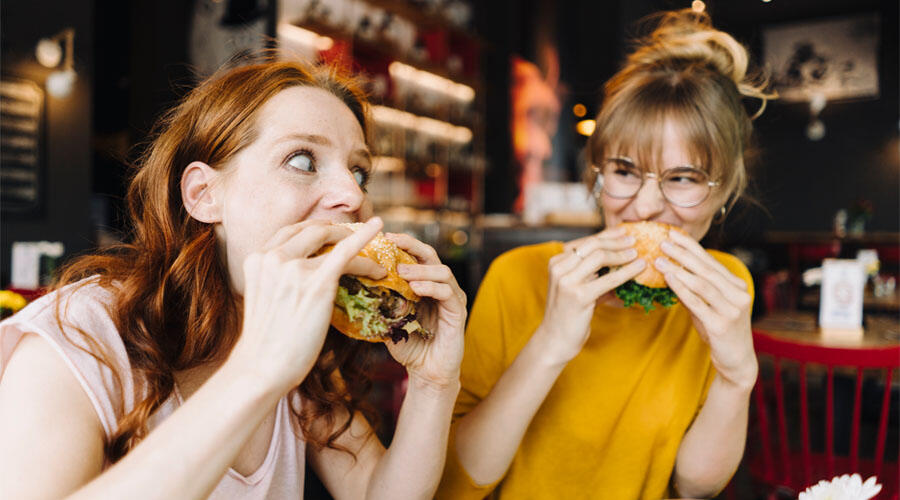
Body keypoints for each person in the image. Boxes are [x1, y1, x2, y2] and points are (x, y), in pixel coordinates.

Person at [0, 59, 467, 499]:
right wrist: (259, 369)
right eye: (303, 161)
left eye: (359, 172)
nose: (352, 195)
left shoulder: (303, 350)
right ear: (204, 195)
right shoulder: (78, 337)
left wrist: (433, 383)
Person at [438, 9, 773, 500]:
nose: (646, 205)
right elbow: (455, 482)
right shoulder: (518, 276)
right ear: (596, 175)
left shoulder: (725, 289)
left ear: (723, 192)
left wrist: (737, 377)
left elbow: (694, 487)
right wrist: (551, 343)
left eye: (682, 177)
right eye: (625, 171)